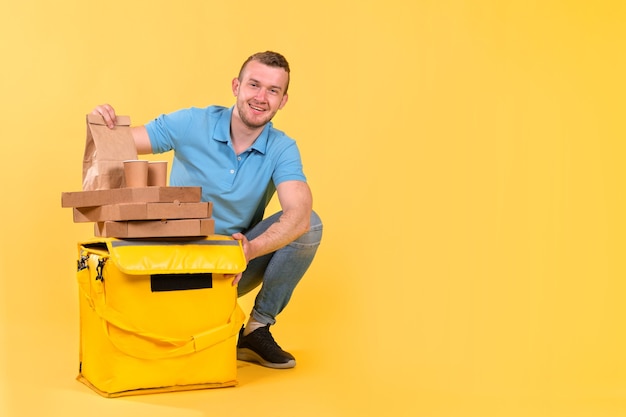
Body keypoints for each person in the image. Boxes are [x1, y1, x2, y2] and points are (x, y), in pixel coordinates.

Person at [92, 51, 323, 369]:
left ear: (283, 100)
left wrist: (249, 250)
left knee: (309, 224)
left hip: (230, 267)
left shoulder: (282, 147)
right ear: (236, 86)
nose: (261, 97)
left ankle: (256, 329)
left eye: (273, 90)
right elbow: (117, 144)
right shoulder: (192, 123)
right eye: (254, 85)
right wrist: (102, 124)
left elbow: (299, 212)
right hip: (170, 262)